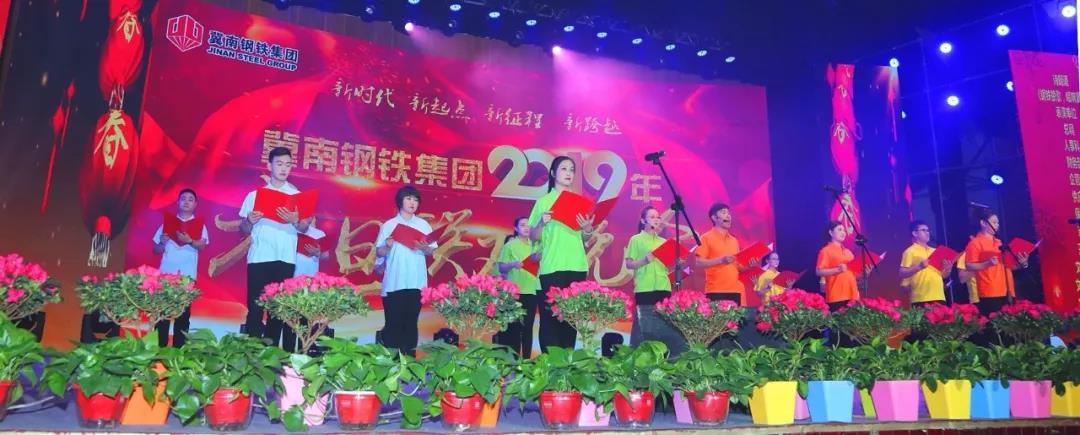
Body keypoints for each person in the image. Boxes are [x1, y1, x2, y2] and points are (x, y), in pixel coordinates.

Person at [239, 146, 312, 351]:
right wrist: (250, 220)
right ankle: (252, 353)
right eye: (279, 164)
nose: (284, 168)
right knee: (255, 308)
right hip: (259, 258)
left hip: (285, 259)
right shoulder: (255, 195)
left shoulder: (297, 196)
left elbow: (304, 228)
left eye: (288, 164)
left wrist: (295, 220)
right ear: (269, 165)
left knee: (278, 310)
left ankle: (271, 355)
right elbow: (243, 229)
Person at [528, 156, 595, 352]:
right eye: (564, 169)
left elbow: (584, 237)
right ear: (553, 173)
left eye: (572, 169)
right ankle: (550, 364)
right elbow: (533, 235)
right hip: (553, 266)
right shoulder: (543, 202)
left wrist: (588, 229)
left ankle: (567, 363)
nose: (569, 173)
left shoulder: (579, 202)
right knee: (551, 319)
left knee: (570, 319)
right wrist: (541, 223)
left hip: (577, 265)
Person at [375, 185, 436, 357]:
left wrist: (425, 248)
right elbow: (379, 252)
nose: (412, 203)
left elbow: (431, 250)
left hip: (416, 282)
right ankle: (390, 364)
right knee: (393, 326)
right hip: (394, 282)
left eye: (416, 200)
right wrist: (387, 246)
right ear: (400, 201)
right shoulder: (389, 225)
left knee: (411, 324)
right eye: (408, 199)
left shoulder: (423, 225)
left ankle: (409, 364)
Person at [625, 205, 686, 356]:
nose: (656, 219)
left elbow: (667, 265)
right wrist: (645, 260)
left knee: (663, 326)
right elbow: (629, 264)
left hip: (663, 286)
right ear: (643, 220)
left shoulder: (664, 242)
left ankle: (663, 356)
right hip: (644, 287)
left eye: (658, 217)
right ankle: (643, 357)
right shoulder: (636, 239)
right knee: (645, 328)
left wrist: (677, 263)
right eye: (652, 217)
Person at [151, 188, 209, 347]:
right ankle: (159, 350)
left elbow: (202, 246)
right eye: (183, 199)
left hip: (186, 277)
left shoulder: (200, 225)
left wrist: (189, 241)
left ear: (195, 204)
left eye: (190, 199)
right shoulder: (166, 223)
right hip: (165, 276)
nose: (186, 202)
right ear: (177, 202)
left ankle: (178, 351)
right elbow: (156, 250)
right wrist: (162, 242)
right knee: (162, 316)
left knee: (183, 317)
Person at [963, 209, 1029, 317]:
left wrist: (1023, 263)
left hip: (1008, 290)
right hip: (990, 291)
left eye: (998, 222)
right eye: (994, 222)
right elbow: (969, 265)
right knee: (994, 324)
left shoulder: (1000, 243)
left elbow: (1010, 266)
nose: (997, 225)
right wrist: (987, 264)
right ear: (983, 223)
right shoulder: (975, 243)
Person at [493, 216, 541, 358]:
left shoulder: (536, 245)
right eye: (523, 225)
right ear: (516, 228)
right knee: (513, 328)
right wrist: (512, 264)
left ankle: (526, 360)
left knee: (528, 328)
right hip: (515, 292)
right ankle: (512, 360)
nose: (526, 228)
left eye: (528, 225)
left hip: (532, 291)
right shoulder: (510, 245)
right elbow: (501, 267)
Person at [694, 203, 753, 305]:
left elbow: (737, 266)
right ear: (714, 218)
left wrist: (748, 265)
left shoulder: (734, 240)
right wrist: (721, 260)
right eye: (723, 212)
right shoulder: (706, 237)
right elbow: (698, 262)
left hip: (735, 290)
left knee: (738, 316)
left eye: (729, 213)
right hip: (716, 290)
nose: (728, 216)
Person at [816, 220, 860, 347]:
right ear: (831, 232)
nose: (843, 232)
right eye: (839, 230)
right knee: (839, 332)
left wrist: (865, 272)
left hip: (852, 295)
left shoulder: (848, 252)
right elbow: (818, 271)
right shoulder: (826, 250)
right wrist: (837, 270)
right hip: (837, 295)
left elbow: (854, 274)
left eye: (844, 230)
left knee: (852, 331)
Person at [899, 220, 954, 308]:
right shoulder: (910, 251)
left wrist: (948, 269)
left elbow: (943, 275)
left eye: (928, 230)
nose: (927, 233)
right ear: (914, 233)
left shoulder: (935, 251)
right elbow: (902, 273)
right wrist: (919, 266)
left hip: (939, 296)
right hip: (921, 298)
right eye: (923, 230)